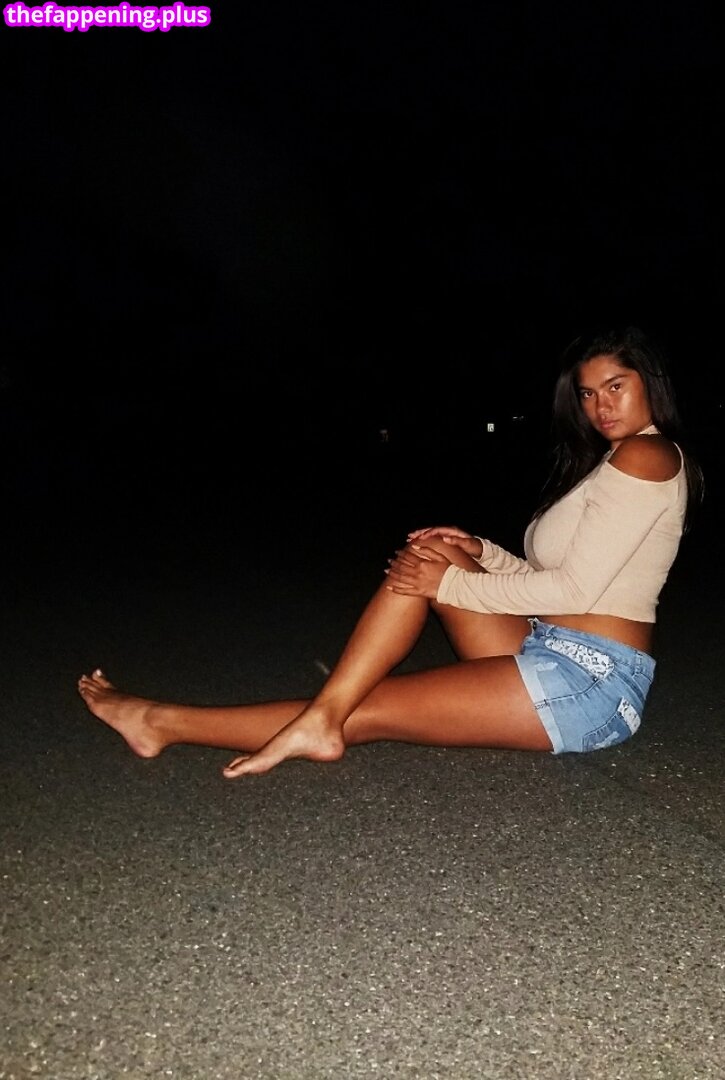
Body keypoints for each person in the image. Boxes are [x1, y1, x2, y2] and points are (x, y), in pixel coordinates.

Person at [78, 325, 705, 774]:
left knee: (368, 706)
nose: (600, 406)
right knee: (434, 554)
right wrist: (478, 551)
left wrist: (450, 586)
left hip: (590, 684)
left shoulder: (646, 454)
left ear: (649, 384)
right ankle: (327, 710)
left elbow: (576, 591)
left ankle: (165, 722)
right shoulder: (614, 464)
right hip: (549, 647)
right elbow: (556, 576)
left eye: (615, 386)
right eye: (589, 393)